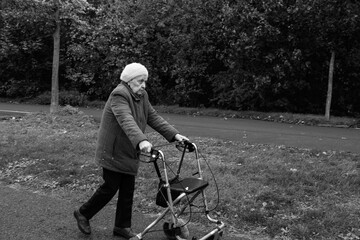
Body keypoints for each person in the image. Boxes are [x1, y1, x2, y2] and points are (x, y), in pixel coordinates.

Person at [73, 62, 189, 239]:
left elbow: (153, 117)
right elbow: (126, 119)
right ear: (129, 80)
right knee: (110, 187)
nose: (144, 85)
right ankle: (83, 213)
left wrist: (175, 135)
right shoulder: (119, 94)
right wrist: (142, 140)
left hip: (128, 150)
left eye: (145, 81)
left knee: (128, 189)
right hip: (113, 150)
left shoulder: (142, 95)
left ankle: (121, 226)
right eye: (140, 81)